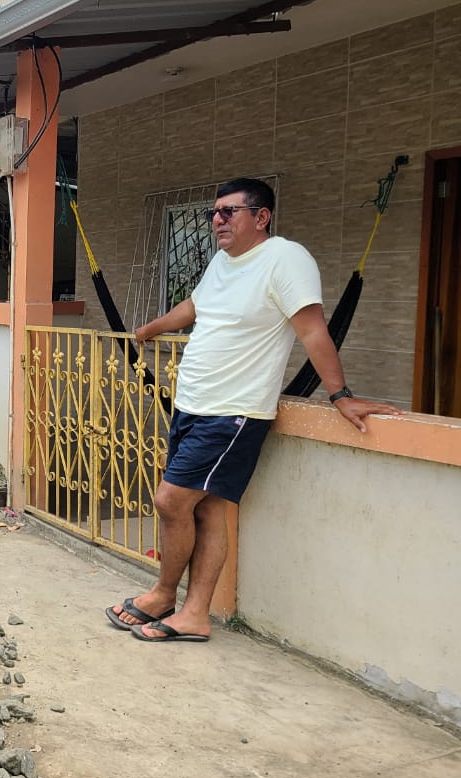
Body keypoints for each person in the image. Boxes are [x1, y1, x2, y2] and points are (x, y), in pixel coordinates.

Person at [106, 177, 401, 643]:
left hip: (233, 412)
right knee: (210, 509)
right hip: (192, 404)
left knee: (170, 501)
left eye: (229, 211)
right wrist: (150, 329)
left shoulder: (285, 259)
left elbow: (312, 330)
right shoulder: (222, 262)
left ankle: (163, 594)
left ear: (261, 217)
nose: (217, 220)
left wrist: (340, 395)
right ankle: (195, 614)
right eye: (213, 212)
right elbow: (196, 306)